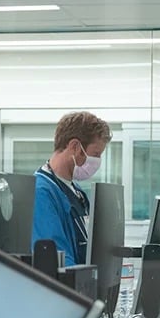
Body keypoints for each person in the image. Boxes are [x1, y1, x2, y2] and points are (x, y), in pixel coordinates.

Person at [33, 111, 111, 267]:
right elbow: (57, 261)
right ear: (75, 146)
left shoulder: (77, 193)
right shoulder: (41, 193)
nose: (98, 161)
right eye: (96, 154)